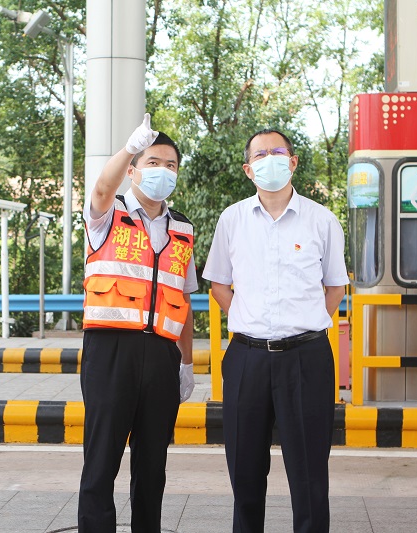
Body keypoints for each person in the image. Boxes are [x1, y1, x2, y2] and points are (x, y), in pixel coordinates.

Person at [203, 129, 349, 533]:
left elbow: (335, 286)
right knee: (246, 476)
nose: (270, 159)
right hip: (246, 359)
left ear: (292, 162)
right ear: (249, 169)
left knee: (309, 478)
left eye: (277, 152)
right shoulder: (232, 219)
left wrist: (300, 323)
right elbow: (218, 283)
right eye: (260, 154)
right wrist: (250, 320)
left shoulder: (322, 220)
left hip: (307, 359)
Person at [78, 113, 197, 533]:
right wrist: (130, 145)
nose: (163, 171)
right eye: (153, 162)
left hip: (162, 355)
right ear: (132, 171)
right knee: (102, 463)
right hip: (111, 352)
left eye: (171, 165)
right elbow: (101, 187)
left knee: (153, 466)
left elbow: (182, 300)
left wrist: (186, 363)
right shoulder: (107, 215)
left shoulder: (183, 228)